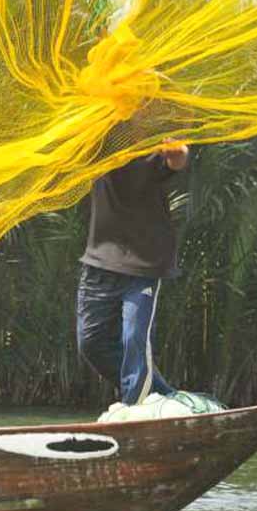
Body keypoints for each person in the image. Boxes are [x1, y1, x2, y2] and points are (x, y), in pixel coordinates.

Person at [76, 142, 189, 405]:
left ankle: (133, 408)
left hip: (143, 265)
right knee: (91, 344)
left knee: (134, 341)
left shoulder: (151, 142)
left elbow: (177, 159)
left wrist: (177, 152)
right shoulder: (97, 141)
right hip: (99, 262)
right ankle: (168, 399)